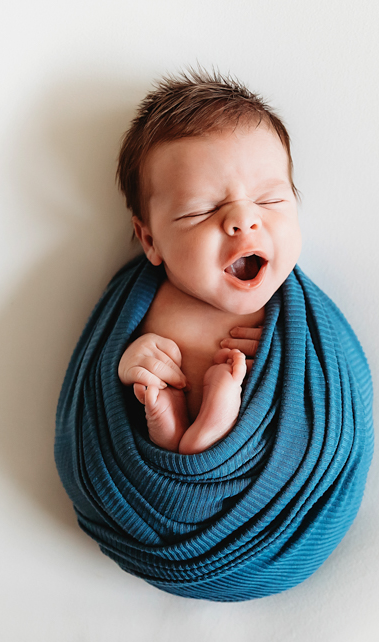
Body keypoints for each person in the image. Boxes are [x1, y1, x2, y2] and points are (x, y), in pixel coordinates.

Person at [116, 69, 302, 454]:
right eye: (201, 210)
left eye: (269, 200)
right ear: (150, 241)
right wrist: (130, 363)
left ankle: (210, 433)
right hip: (155, 472)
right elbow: (100, 387)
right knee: (154, 401)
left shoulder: (296, 320)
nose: (243, 220)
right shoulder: (143, 304)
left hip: (259, 468)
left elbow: (326, 384)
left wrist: (281, 351)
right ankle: (174, 433)